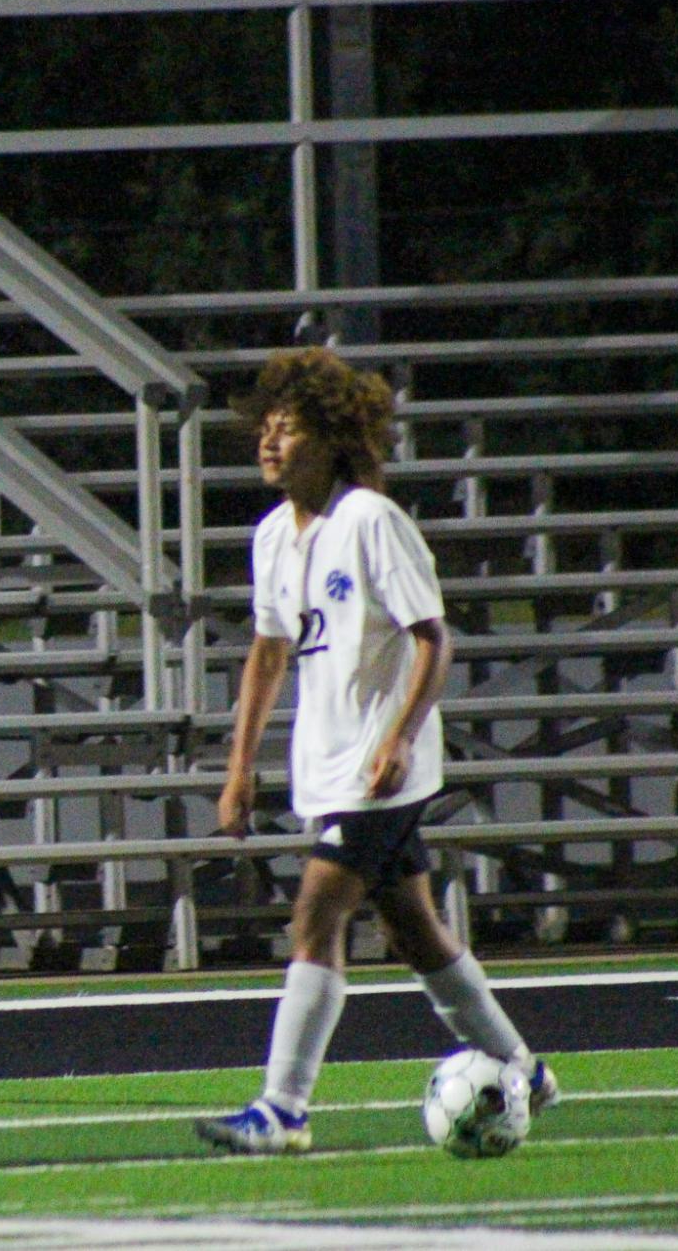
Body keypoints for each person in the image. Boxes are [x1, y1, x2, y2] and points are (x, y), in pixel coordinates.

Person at [196, 347, 559, 1155]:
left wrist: (396, 740)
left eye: (285, 430)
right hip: (329, 766)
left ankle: (282, 1109)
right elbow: (265, 656)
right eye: (265, 428)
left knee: (313, 919)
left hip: (380, 771)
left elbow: (434, 640)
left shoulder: (369, 521)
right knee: (414, 933)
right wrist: (237, 769)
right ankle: (521, 1069)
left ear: (329, 438)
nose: (267, 442)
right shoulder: (270, 538)